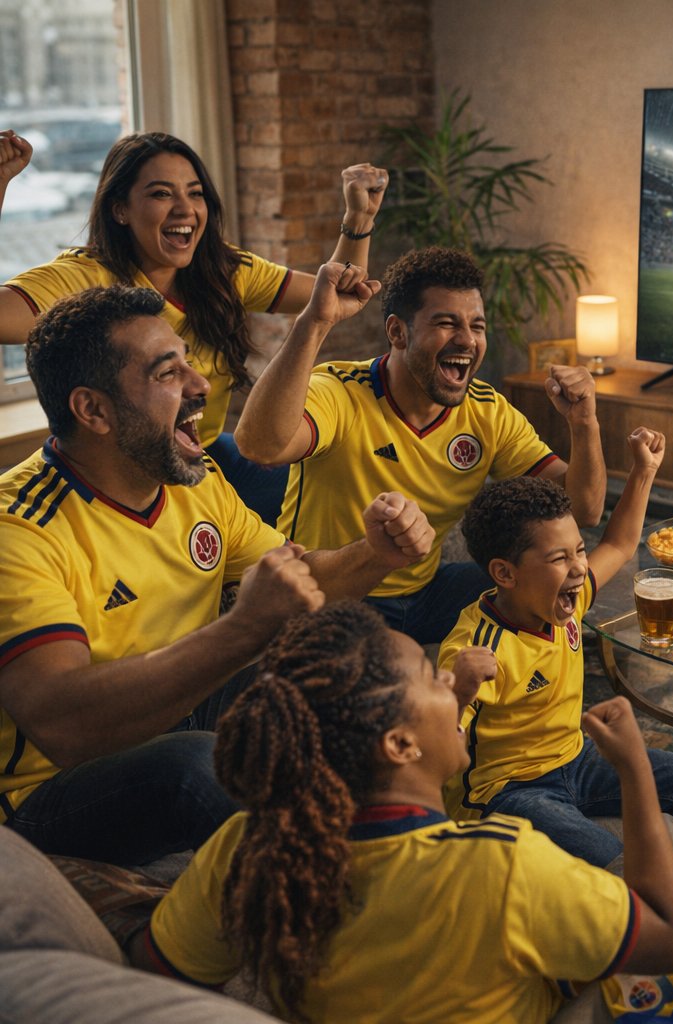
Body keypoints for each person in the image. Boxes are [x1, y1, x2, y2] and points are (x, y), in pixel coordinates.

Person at [0, 282, 433, 866]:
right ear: (93, 410)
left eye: (188, 364)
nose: (201, 386)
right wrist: (244, 630)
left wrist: (376, 553)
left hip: (180, 708)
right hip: (51, 790)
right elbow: (62, 723)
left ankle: (412, 853)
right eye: (166, 373)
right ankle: (341, 921)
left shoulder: (190, 479)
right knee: (194, 764)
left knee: (352, 662)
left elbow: (299, 580)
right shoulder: (19, 528)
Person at [129, 601, 673, 1023]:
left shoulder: (246, 846)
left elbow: (155, 974)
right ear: (399, 745)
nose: (449, 680)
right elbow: (668, 939)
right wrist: (635, 769)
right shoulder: (502, 865)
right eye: (430, 677)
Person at [0, 128, 388, 522]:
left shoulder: (222, 270)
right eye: (161, 194)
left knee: (313, 488)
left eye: (195, 193)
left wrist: (358, 217)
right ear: (120, 209)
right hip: (124, 470)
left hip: (196, 451)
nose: (185, 209)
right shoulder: (83, 278)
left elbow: (337, 294)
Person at [234, 246, 607, 645]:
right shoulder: (342, 391)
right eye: (447, 323)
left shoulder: (488, 411)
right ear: (397, 332)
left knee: (534, 579)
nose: (467, 341)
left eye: (477, 326)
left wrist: (583, 422)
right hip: (335, 593)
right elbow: (260, 446)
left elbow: (583, 509)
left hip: (426, 594)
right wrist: (314, 322)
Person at [438, 450, 673, 869]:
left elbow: (619, 543)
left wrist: (644, 471)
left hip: (577, 758)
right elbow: (439, 754)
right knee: (612, 860)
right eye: (559, 558)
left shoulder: (565, 603)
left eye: (578, 550)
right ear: (505, 574)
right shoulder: (474, 649)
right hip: (508, 792)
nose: (579, 568)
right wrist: (460, 694)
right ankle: (658, 924)